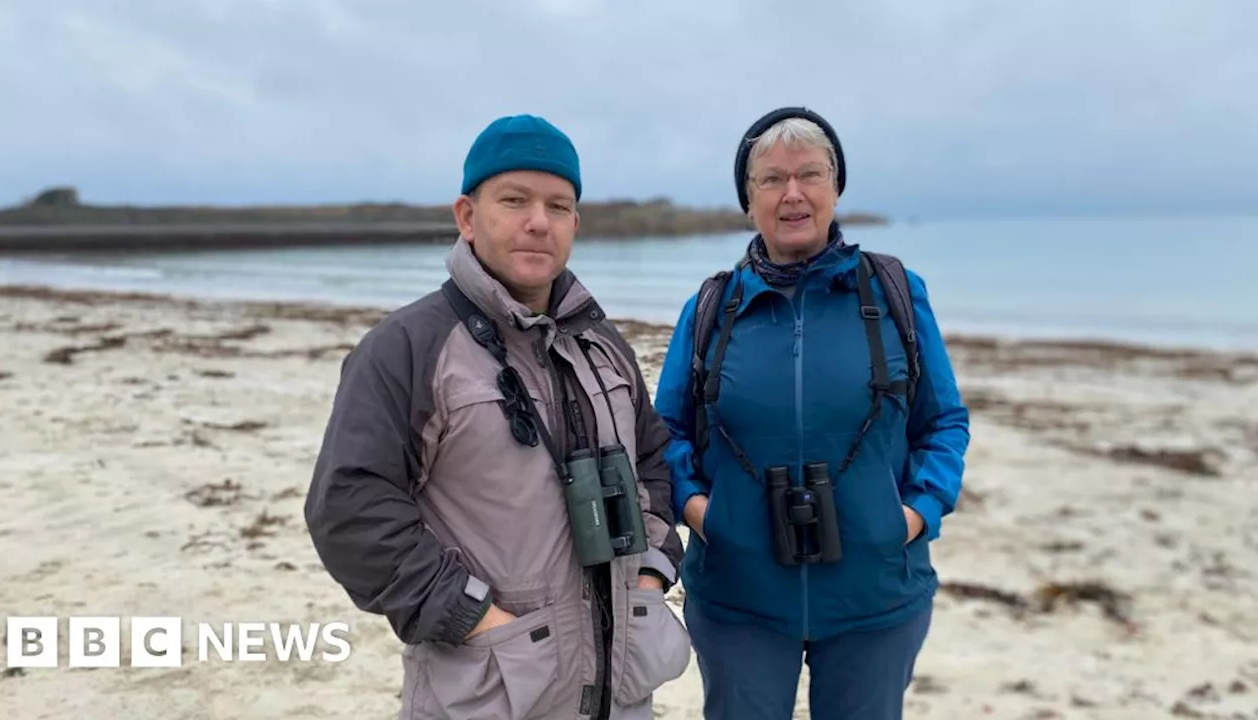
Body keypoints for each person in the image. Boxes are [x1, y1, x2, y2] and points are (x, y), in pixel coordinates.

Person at [305, 114, 691, 720]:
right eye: (515, 200)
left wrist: (650, 571)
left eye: (558, 206)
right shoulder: (408, 347)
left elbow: (652, 460)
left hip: (621, 689)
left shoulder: (603, 345)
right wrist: (472, 615)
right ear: (467, 215)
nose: (539, 221)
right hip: (490, 693)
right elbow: (348, 507)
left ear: (574, 224)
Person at [653, 106, 971, 720]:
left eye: (810, 174)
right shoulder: (711, 308)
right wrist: (703, 510)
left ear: (836, 187)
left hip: (874, 597)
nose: (792, 193)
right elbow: (665, 431)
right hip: (738, 598)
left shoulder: (895, 293)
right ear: (748, 199)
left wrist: (914, 513)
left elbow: (943, 422)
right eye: (771, 179)